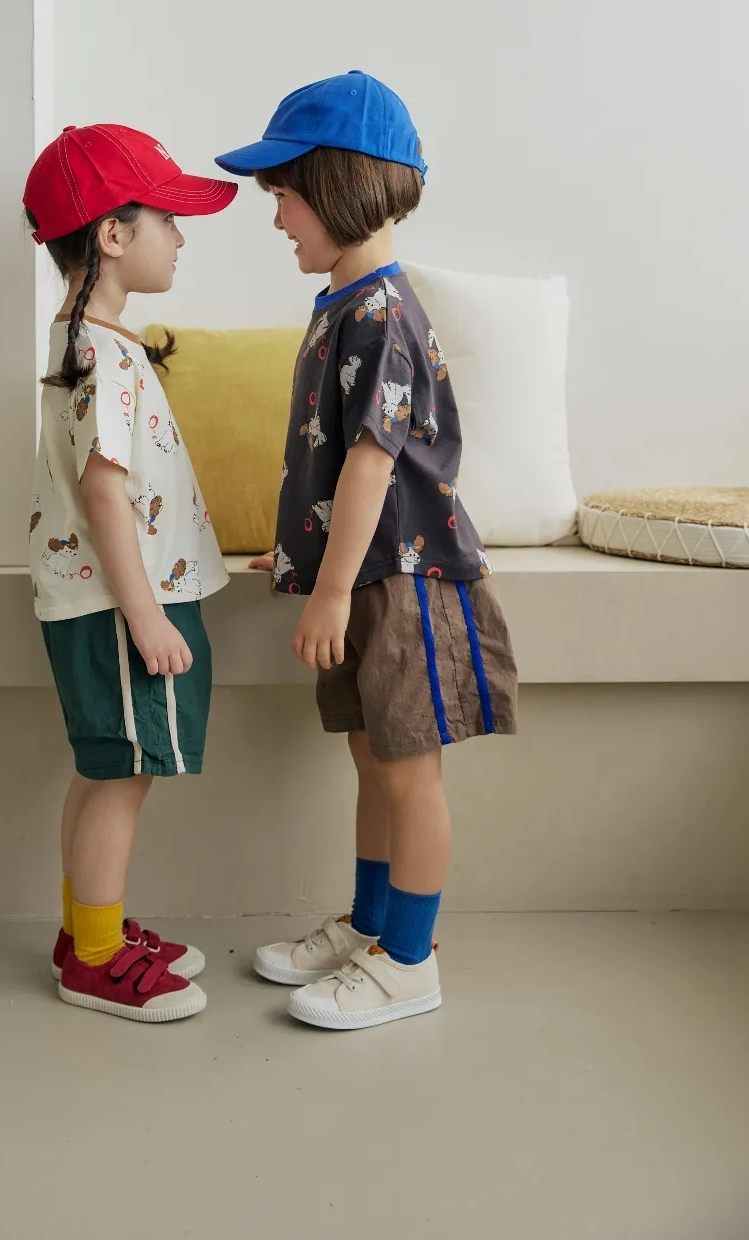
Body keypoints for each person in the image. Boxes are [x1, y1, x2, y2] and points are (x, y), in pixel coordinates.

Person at [215, 71, 517, 1032]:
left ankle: (410, 961)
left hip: (402, 580)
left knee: (405, 771)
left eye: (285, 196)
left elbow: (372, 464)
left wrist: (332, 590)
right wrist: (300, 554)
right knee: (371, 757)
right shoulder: (344, 302)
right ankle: (372, 925)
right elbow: (328, 452)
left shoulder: (382, 311)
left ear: (340, 186)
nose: (276, 220)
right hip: (362, 572)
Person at [24, 122, 236, 1023]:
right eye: (168, 220)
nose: (181, 238)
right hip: (122, 603)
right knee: (123, 774)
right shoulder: (100, 355)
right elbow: (104, 495)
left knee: (103, 767)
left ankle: (87, 930)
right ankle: (95, 959)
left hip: (113, 595)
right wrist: (145, 616)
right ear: (112, 234)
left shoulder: (92, 342)